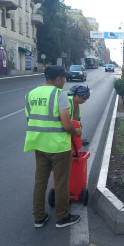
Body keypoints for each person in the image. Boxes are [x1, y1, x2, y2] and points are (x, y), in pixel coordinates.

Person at [24, 65, 82, 228]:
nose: (65, 81)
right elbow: (66, 124)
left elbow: (30, 120)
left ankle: (39, 218)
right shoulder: (60, 95)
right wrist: (76, 132)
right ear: (57, 79)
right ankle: (62, 218)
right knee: (61, 182)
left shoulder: (30, 94)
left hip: (38, 144)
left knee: (40, 182)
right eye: (64, 78)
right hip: (58, 147)